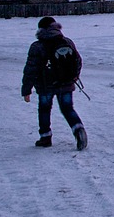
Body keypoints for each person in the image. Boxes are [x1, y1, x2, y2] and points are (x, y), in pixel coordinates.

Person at [21, 16, 88, 150]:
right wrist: (74, 77)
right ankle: (78, 129)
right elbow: (78, 61)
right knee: (68, 108)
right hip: (66, 83)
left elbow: (31, 69)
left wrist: (26, 89)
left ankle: (45, 137)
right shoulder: (67, 42)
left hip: (45, 85)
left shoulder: (37, 46)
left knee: (44, 110)